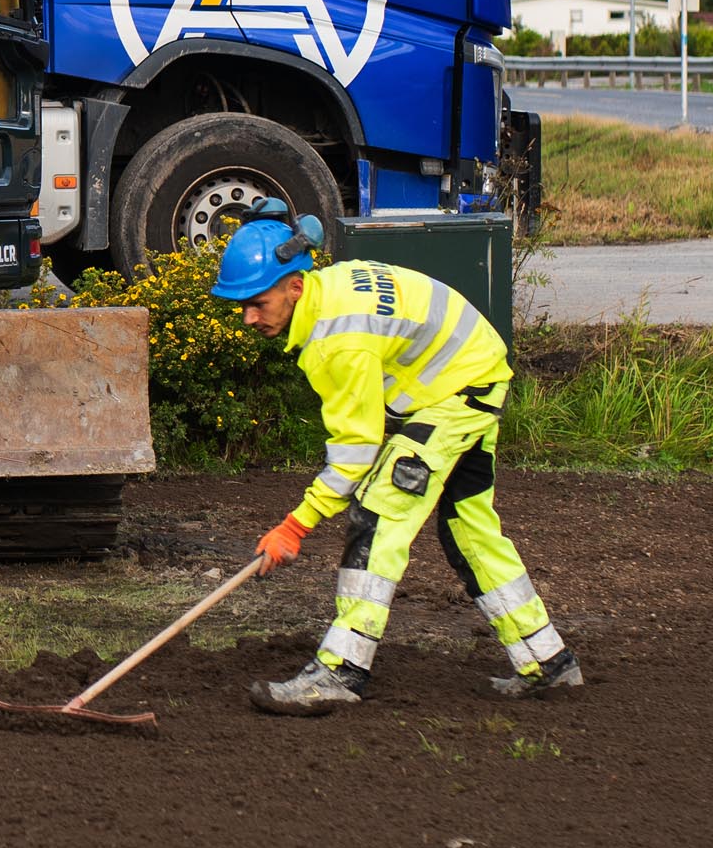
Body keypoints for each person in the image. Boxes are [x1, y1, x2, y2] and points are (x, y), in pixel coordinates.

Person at [211, 212, 583, 714]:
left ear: (295, 287)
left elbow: (355, 452)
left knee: (378, 514)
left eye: (257, 304)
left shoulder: (335, 341)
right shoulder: (333, 286)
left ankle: (340, 672)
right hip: (476, 376)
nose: (249, 319)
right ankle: (549, 663)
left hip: (455, 394)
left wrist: (296, 525)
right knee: (469, 530)